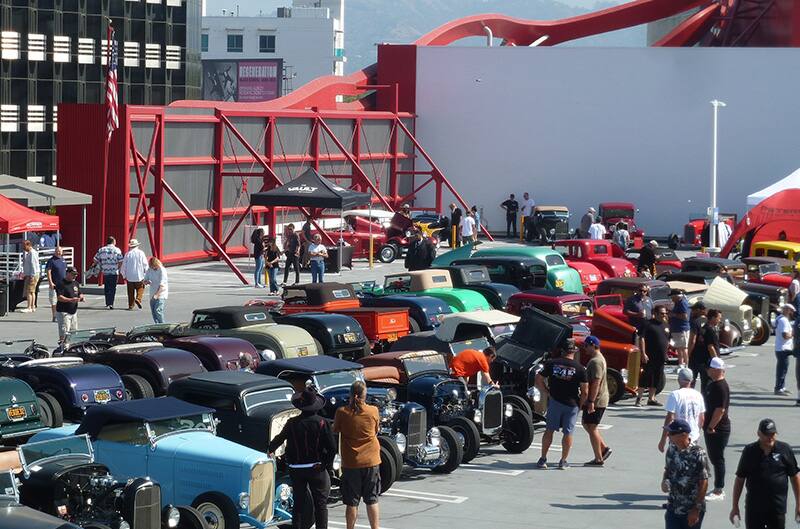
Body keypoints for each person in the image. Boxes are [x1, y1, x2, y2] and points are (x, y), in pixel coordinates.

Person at [268, 387, 336, 529]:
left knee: (298, 503)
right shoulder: (322, 423)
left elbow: (279, 439)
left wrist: (270, 449)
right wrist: (324, 465)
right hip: (316, 468)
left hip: (296, 469)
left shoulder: (292, 423)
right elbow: (332, 448)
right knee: (320, 504)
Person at [730, 419, 800, 529]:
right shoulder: (749, 451)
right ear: (759, 434)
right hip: (754, 509)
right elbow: (739, 480)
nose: (770, 437)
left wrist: (798, 504)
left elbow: (794, 477)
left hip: (777, 508)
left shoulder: (785, 450)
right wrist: (735, 506)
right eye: (767, 434)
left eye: (773, 434)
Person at [333, 381, 381, 529]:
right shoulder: (373, 411)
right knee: (372, 499)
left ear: (351, 395)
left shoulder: (342, 412)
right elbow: (376, 430)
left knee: (351, 501)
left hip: (351, 462)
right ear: (363, 396)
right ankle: (375, 527)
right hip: (371, 460)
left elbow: (335, 429)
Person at [535, 339, 588, 470]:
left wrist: (546, 392)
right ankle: (563, 461)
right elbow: (585, 391)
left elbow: (538, 379)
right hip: (572, 404)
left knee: (549, 430)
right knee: (568, 433)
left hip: (555, 401)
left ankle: (543, 459)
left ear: (562, 351)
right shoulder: (580, 368)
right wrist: (580, 405)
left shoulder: (551, 364)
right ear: (574, 351)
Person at [662, 419, 710, 529]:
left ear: (683, 435)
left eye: (672, 433)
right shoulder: (671, 449)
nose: (668, 435)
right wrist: (664, 481)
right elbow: (668, 470)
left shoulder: (698, 453)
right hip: (673, 507)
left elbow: (704, 481)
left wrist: (696, 508)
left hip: (691, 509)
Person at [658, 368, 705, 453]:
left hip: (677, 436)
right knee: (691, 462)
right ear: (691, 380)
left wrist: (663, 439)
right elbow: (701, 418)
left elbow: (670, 417)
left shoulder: (675, 395)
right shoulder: (698, 395)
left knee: (675, 463)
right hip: (693, 437)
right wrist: (696, 431)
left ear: (679, 379)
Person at [703, 357, 730, 502]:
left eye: (709, 368)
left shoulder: (720, 387)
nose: (707, 370)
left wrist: (711, 426)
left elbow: (720, 410)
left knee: (718, 458)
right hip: (712, 428)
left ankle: (719, 489)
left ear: (716, 370)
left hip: (717, 429)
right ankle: (717, 487)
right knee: (714, 458)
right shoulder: (714, 384)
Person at [581, 336, 611, 466]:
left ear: (593, 345)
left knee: (591, 427)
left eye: (586, 345)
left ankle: (599, 458)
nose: (585, 348)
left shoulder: (595, 361)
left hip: (597, 399)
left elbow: (596, 381)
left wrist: (591, 400)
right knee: (586, 423)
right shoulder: (599, 359)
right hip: (600, 398)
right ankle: (603, 448)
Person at [638, 306, 670, 407]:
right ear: (655, 313)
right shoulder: (647, 324)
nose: (664, 315)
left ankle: (651, 398)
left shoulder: (666, 325)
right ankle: (639, 398)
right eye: (661, 313)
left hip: (661, 356)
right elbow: (641, 338)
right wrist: (643, 353)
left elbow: (667, 340)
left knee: (657, 377)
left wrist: (666, 352)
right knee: (645, 376)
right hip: (649, 355)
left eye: (665, 313)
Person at [690, 309, 722, 392]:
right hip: (706, 362)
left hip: (697, 360)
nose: (720, 320)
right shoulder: (710, 330)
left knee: (692, 382)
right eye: (718, 318)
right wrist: (717, 362)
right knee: (706, 384)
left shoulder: (704, 329)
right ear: (713, 318)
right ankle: (705, 402)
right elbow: (711, 347)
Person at [55, 267, 84, 342]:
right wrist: (71, 300)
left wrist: (81, 297)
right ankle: (63, 347)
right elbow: (60, 297)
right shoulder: (61, 283)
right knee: (65, 333)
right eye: (73, 274)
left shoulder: (76, 283)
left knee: (74, 331)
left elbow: (79, 293)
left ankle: (72, 347)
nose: (74, 276)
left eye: (76, 275)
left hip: (73, 312)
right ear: (67, 273)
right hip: (64, 312)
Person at [93, 236, 123, 309]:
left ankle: (107, 303)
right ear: (113, 242)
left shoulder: (101, 250)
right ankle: (110, 303)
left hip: (105, 271)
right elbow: (120, 261)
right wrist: (117, 267)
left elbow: (95, 259)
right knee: (112, 288)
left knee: (107, 287)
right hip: (114, 271)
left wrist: (101, 265)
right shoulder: (117, 250)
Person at [774, 303, 795, 396]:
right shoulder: (784, 321)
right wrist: (793, 334)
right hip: (784, 348)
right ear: (786, 310)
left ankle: (782, 387)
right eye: (790, 311)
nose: (791, 313)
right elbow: (785, 335)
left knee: (783, 369)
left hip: (780, 347)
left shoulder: (779, 318)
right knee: (782, 369)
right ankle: (778, 388)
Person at [121, 239, 148, 310]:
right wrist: (146, 274)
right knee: (140, 288)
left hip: (129, 276)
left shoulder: (127, 254)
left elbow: (124, 266)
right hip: (139, 275)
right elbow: (145, 264)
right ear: (137, 245)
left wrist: (124, 275)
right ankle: (138, 299)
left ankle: (131, 305)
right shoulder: (141, 253)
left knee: (130, 292)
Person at [670, 289, 691, 368]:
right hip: (677, 329)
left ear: (677, 296)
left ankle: (686, 364)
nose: (671, 299)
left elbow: (685, 316)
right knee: (679, 347)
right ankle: (681, 364)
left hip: (682, 328)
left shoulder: (682, 303)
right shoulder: (678, 303)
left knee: (683, 347)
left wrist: (673, 315)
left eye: (672, 297)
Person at [143, 257, 168, 324]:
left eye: (153, 266)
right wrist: (147, 282)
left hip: (161, 293)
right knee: (153, 312)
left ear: (156, 264)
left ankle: (162, 325)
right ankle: (157, 325)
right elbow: (144, 280)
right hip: (152, 293)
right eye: (151, 266)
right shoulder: (149, 270)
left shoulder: (162, 270)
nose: (152, 268)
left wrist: (157, 295)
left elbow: (162, 285)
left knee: (158, 310)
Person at [45, 246, 66, 322]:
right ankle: (55, 316)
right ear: (55, 251)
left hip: (62, 284)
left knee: (62, 300)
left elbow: (65, 272)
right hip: (54, 285)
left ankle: (61, 315)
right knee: (54, 301)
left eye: (60, 251)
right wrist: (50, 282)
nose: (58, 252)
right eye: (57, 251)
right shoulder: (51, 261)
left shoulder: (63, 260)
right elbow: (48, 272)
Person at [21, 240, 39, 313]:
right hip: (32, 274)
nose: (23, 248)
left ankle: (29, 307)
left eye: (24, 246)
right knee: (32, 291)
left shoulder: (32, 253)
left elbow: (33, 264)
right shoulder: (30, 253)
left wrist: (32, 275)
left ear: (28, 245)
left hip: (32, 275)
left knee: (29, 291)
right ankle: (32, 306)